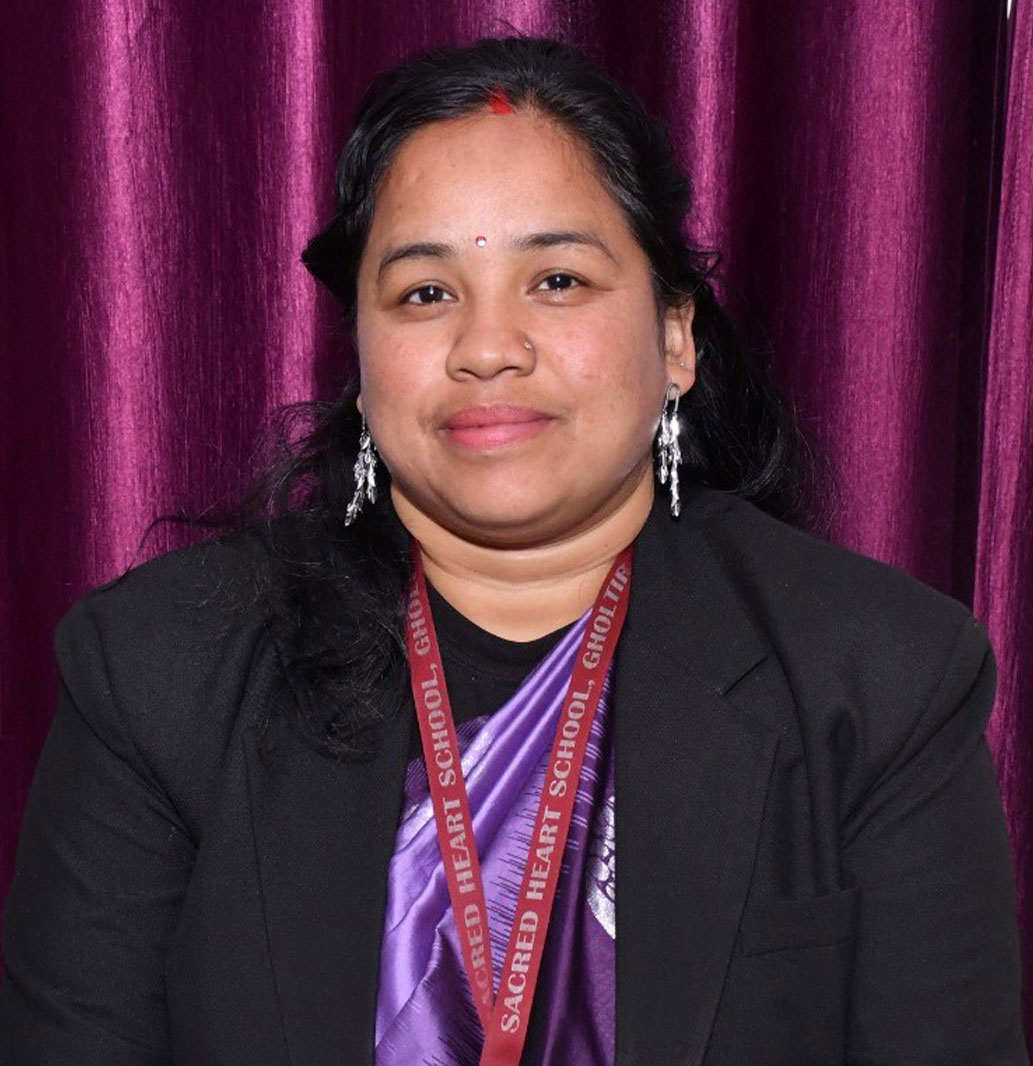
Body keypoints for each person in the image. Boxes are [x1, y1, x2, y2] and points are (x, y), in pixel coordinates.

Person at [0, 35, 1026, 1066]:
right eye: (425, 293)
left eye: (558, 279)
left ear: (675, 338)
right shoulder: (159, 672)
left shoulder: (876, 679)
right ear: (360, 358)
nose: (488, 348)